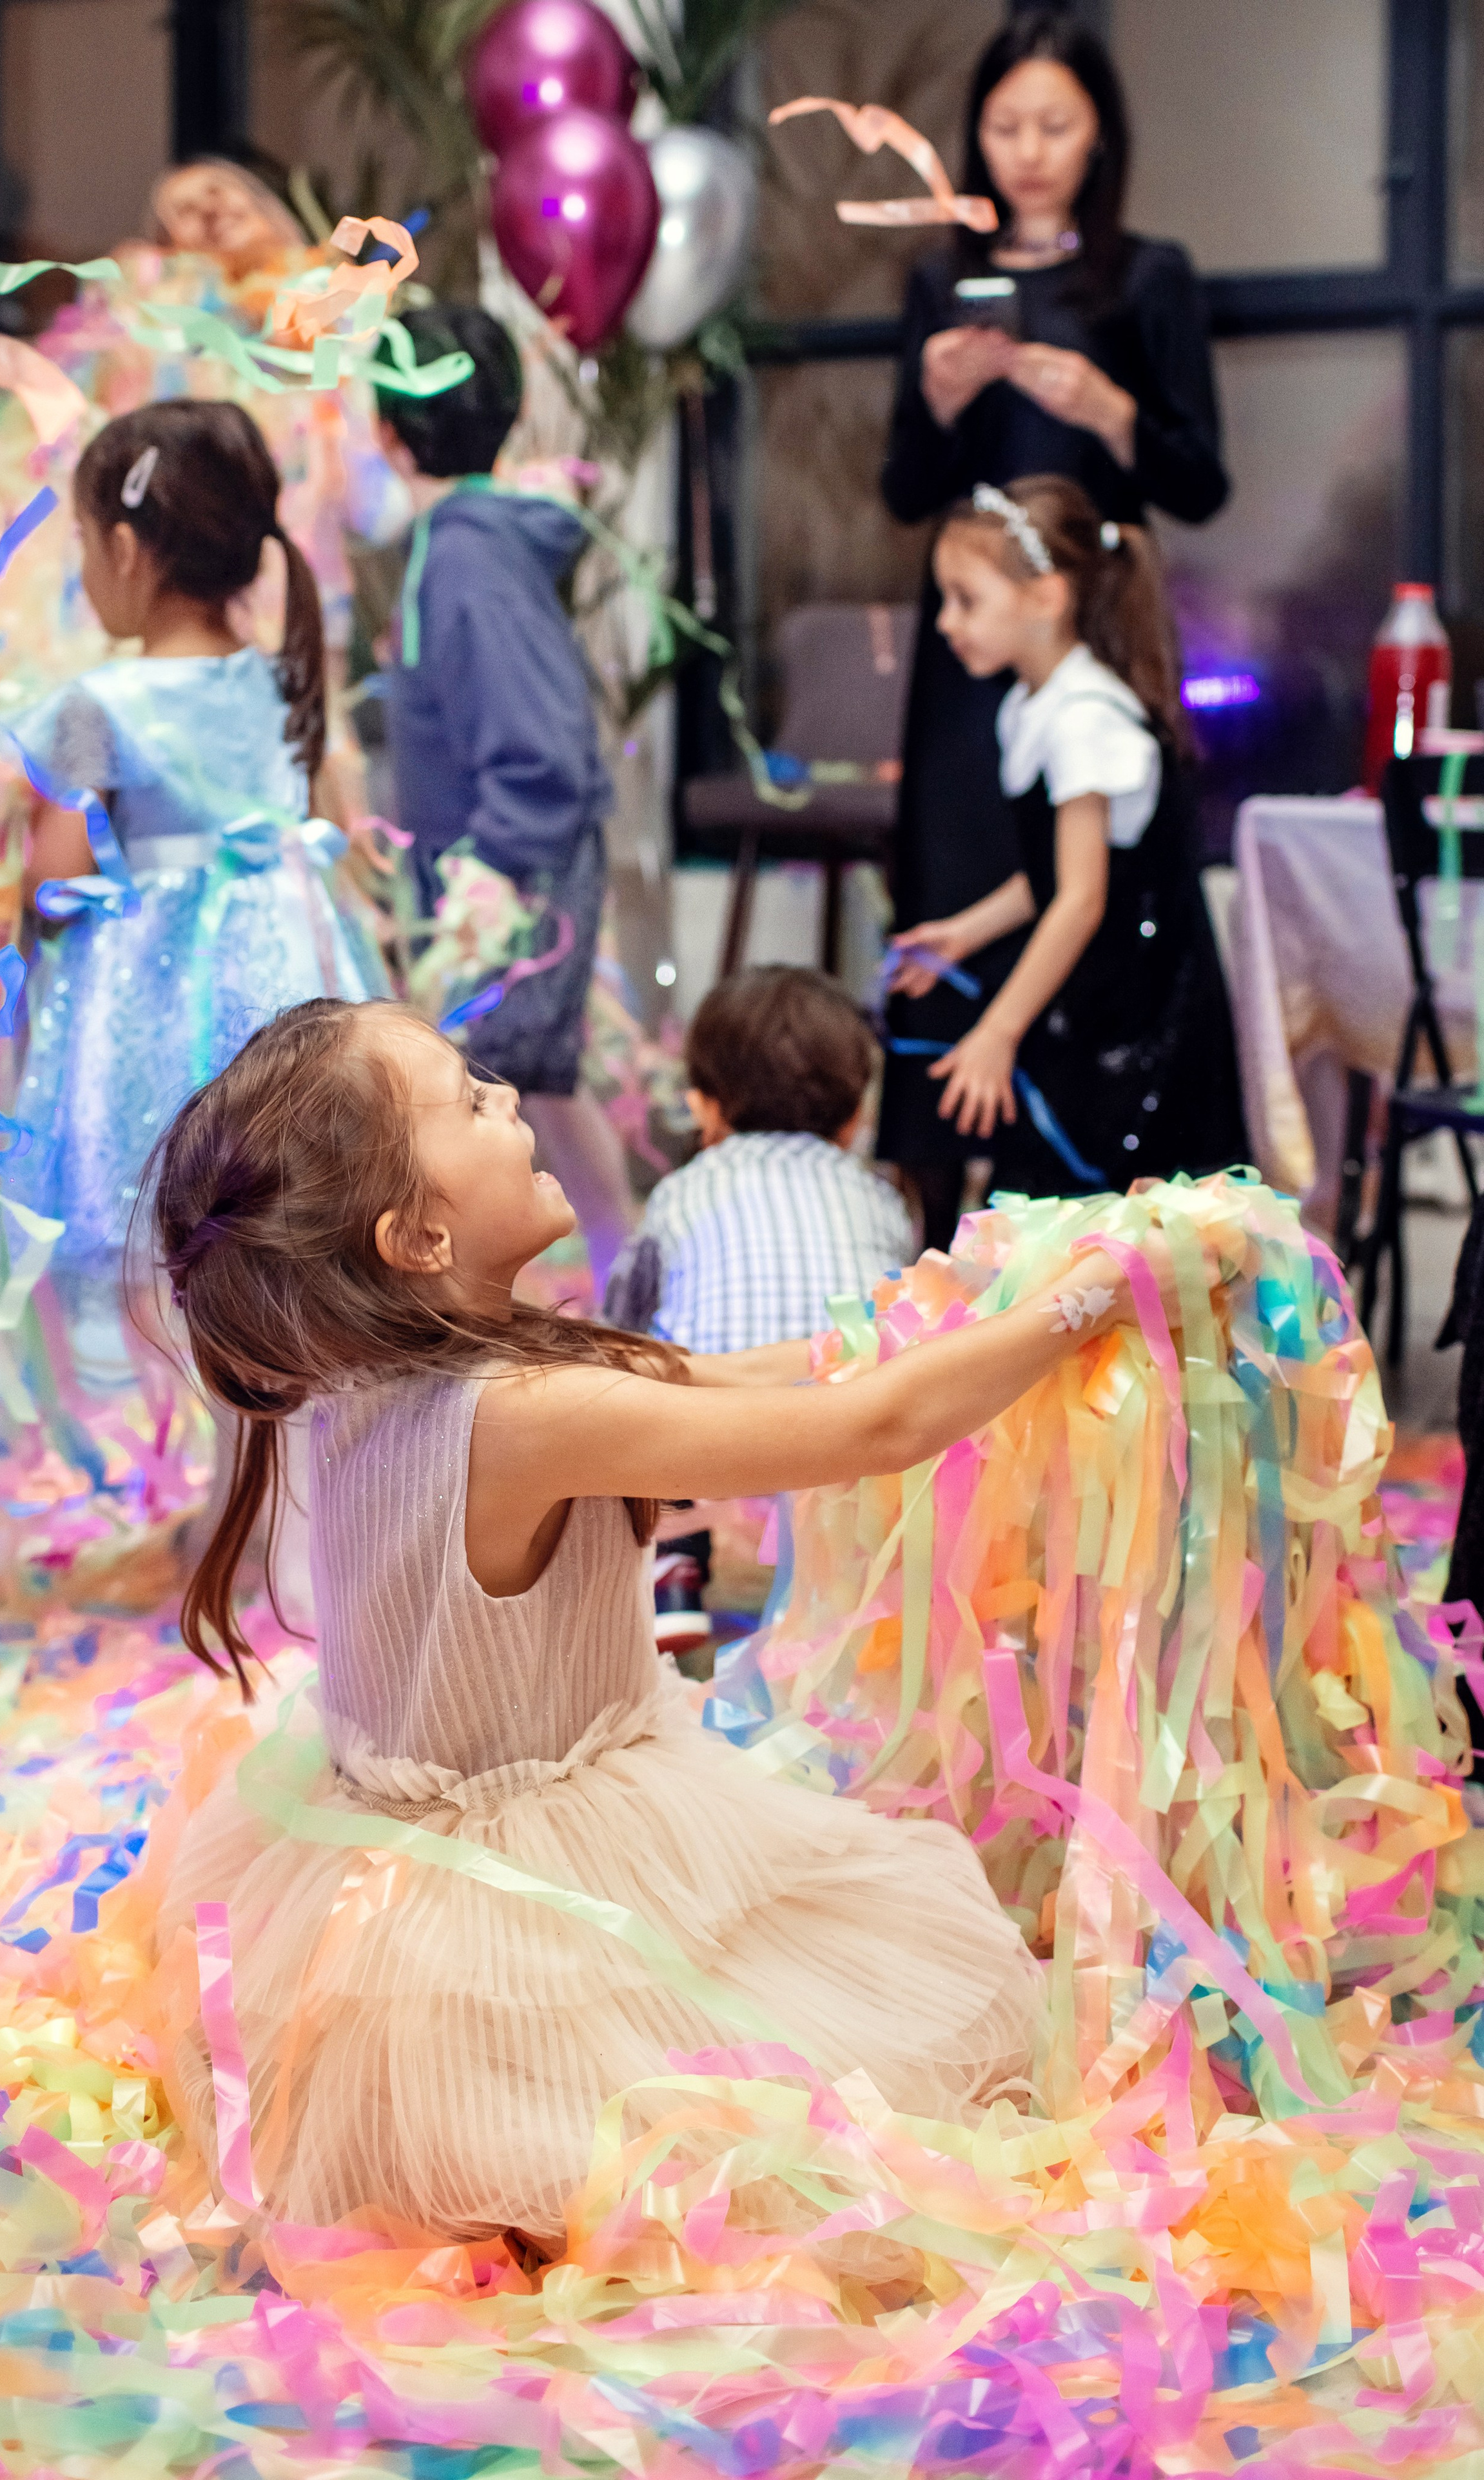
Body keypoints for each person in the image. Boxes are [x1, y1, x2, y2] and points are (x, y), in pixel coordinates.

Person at [141, 994, 1215, 2245]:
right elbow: (870, 1429)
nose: (505, 1100)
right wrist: (1093, 1302)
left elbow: (767, 1376)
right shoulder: (527, 1410)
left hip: (381, 1865)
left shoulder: (363, 1377)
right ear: (417, 1234)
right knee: (817, 2085)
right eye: (466, 1100)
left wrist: (947, 1310)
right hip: (509, 1890)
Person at [879, 8, 1227, 1244]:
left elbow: (1199, 482)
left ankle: (1076, 1164)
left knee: (1095, 871)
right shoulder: (938, 281)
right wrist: (934, 398)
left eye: (1054, 126)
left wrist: (1113, 410)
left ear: (1099, 137)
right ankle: (938, 1207)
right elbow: (907, 492)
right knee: (979, 863)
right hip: (970, 641)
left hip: (1087, 622)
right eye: (1006, 124)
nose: (1027, 150)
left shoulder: (1147, 277)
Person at [3, 399, 382, 1294]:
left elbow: (55, 877)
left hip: (153, 986)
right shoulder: (284, 673)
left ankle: (157, 1416)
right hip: (293, 980)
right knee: (281, 1210)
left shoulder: (102, 701)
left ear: (128, 550)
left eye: (87, 542)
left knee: (156, 1213)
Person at [378, 303, 636, 1300]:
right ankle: (636, 1286)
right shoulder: (460, 544)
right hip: (497, 861)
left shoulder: (467, 558)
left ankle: (570, 1301)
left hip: (510, 872)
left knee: (484, 1103)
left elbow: (536, 750)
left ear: (388, 432)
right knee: (547, 1096)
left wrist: (486, 886)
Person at [888, 475, 1244, 1195]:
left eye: (967, 600)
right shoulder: (1033, 705)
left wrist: (997, 1031)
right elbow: (1054, 875)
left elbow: (1081, 900)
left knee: (1124, 1223)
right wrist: (965, 932)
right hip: (1099, 1007)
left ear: (1046, 599)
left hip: (1143, 1024)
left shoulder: (1086, 720)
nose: (945, 623)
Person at [602, 964, 915, 1657]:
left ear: (707, 1107)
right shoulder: (880, 1200)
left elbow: (624, 1318)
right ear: (856, 1115)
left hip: (718, 1443)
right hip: (847, 1436)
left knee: (642, 1375)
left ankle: (674, 1570)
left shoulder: (682, 1189)